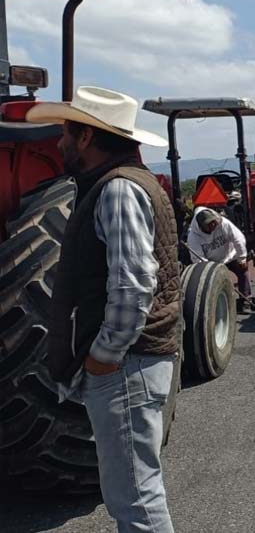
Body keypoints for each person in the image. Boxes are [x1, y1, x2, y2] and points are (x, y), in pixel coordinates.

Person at [31, 86, 179, 532]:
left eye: (65, 132)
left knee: (134, 496)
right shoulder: (128, 183)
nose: (58, 143)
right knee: (133, 491)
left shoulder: (116, 191)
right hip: (133, 363)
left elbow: (133, 288)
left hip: (125, 365)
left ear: (86, 138)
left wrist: (102, 358)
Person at [186, 206, 251, 313]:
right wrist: (210, 271)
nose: (213, 225)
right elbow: (198, 258)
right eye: (209, 224)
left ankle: (246, 301)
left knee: (243, 271)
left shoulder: (223, 223)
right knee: (208, 281)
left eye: (213, 222)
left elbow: (238, 239)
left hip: (230, 255)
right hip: (211, 263)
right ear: (201, 226)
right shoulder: (193, 237)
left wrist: (242, 257)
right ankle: (215, 306)